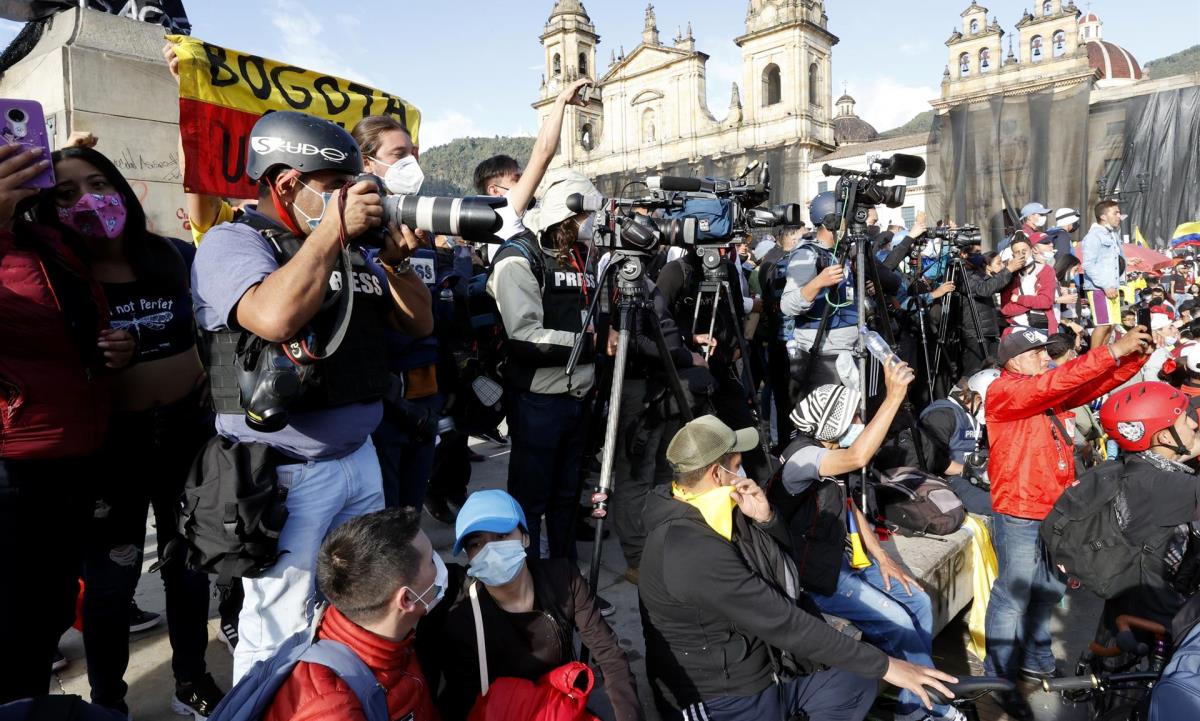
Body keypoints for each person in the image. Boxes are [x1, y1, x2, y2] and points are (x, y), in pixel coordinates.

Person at [191, 110, 433, 680]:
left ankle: (344, 698)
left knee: (366, 606)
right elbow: (273, 316)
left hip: (359, 459)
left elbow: (419, 325)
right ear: (285, 185)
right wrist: (333, 231)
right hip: (286, 475)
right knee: (279, 625)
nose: (355, 199)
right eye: (337, 189)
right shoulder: (234, 243)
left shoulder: (345, 248)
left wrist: (393, 262)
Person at [40, 147, 222, 715]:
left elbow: (219, 334)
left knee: (189, 569)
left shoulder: (172, 255)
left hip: (188, 436)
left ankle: (191, 680)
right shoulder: (58, 274)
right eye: (66, 194)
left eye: (98, 182)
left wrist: (224, 400)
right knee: (112, 582)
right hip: (111, 449)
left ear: (121, 187)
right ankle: (107, 702)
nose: (89, 200)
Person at [639, 414, 957, 721]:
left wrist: (767, 520)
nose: (743, 473)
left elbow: (784, 571)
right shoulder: (688, 548)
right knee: (868, 666)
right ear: (716, 473)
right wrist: (886, 665)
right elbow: (782, 620)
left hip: (764, 663)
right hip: (726, 695)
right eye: (736, 466)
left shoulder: (719, 509)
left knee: (856, 682)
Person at [0, 143, 136, 703]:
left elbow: (77, 331)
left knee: (50, 610)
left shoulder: (51, 242)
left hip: (78, 458)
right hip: (15, 466)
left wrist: (115, 348)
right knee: (14, 626)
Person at [983, 324, 1152, 719]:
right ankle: (997, 680)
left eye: (1046, 351)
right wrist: (1112, 350)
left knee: (1046, 590)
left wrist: (1135, 356)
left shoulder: (1042, 390)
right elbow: (1066, 377)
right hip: (1020, 510)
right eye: (1037, 352)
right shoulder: (1005, 390)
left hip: (1053, 510)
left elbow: (1091, 383)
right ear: (1013, 359)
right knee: (1013, 595)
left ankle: (1037, 661)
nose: (1046, 357)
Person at [781, 363, 964, 721]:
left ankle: (913, 705)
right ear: (832, 424)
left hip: (846, 561)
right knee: (896, 619)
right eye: (853, 420)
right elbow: (858, 456)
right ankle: (932, 709)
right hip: (817, 576)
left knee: (919, 601)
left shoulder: (828, 451)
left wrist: (882, 556)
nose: (860, 427)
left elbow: (849, 505)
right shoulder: (802, 457)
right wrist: (894, 395)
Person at [432, 490, 643, 721]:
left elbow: (609, 655)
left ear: (526, 537)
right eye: (476, 543)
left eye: (501, 536)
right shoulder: (463, 616)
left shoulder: (564, 579)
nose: (490, 550)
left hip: (559, 708)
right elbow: (461, 701)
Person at [486, 168, 599, 560]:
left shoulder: (577, 256)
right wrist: (593, 344)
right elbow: (525, 338)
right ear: (561, 216)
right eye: (582, 218)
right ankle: (531, 585)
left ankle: (566, 583)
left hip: (578, 397)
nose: (588, 226)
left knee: (567, 499)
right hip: (539, 401)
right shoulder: (518, 258)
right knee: (530, 502)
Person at [264, 508, 442, 720]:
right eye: (431, 561)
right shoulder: (334, 709)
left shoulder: (391, 642)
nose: (440, 568)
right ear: (406, 599)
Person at [351, 115, 443, 511]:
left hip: (427, 393)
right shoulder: (358, 236)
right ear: (367, 163)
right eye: (399, 154)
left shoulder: (419, 230)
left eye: (413, 153)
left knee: (411, 508)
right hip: (383, 400)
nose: (411, 164)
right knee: (386, 515)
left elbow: (429, 319)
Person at [1097, 383, 1200, 629]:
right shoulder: (1171, 487)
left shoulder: (1133, 466)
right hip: (1160, 620)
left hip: (1124, 610)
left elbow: (1183, 448)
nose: (1194, 424)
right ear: (1164, 436)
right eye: (1185, 420)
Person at [474, 77, 592, 242]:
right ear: (494, 190)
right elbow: (542, 154)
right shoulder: (506, 210)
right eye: (516, 179)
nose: (526, 181)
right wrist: (561, 100)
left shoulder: (514, 215)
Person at [919, 377, 993, 515]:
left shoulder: (974, 416)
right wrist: (966, 470)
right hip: (950, 478)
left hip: (976, 473)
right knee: (994, 504)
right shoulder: (942, 414)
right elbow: (933, 459)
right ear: (977, 397)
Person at [958, 243, 1024, 375]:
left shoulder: (976, 272)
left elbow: (994, 285)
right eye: (976, 252)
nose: (979, 256)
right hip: (974, 332)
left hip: (988, 330)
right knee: (973, 373)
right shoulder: (962, 273)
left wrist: (1013, 269)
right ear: (964, 255)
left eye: (980, 252)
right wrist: (1009, 269)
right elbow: (984, 289)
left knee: (991, 371)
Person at [1081, 200, 1127, 348]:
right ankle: (1093, 359)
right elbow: (1088, 264)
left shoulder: (1112, 234)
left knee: (1111, 325)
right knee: (1103, 324)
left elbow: (1107, 259)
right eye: (1116, 212)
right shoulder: (1094, 235)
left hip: (1112, 286)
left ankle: (1101, 356)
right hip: (1099, 288)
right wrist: (1105, 286)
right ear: (1103, 216)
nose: (1119, 215)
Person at [999, 235, 1058, 334]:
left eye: (1024, 251)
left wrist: (1019, 299)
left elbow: (1046, 302)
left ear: (1031, 250)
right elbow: (1006, 310)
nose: (1022, 255)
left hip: (1043, 328)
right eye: (1017, 252)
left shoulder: (1046, 270)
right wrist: (1035, 301)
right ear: (1013, 256)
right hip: (1017, 328)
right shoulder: (1010, 276)